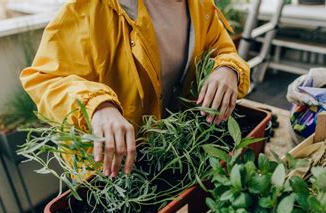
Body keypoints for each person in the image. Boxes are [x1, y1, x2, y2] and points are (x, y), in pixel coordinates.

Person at [21, 0, 250, 178]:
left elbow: (222, 50)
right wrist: (97, 105)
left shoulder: (201, 7)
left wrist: (228, 69)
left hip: (173, 154)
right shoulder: (92, 8)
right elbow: (45, 78)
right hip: (112, 170)